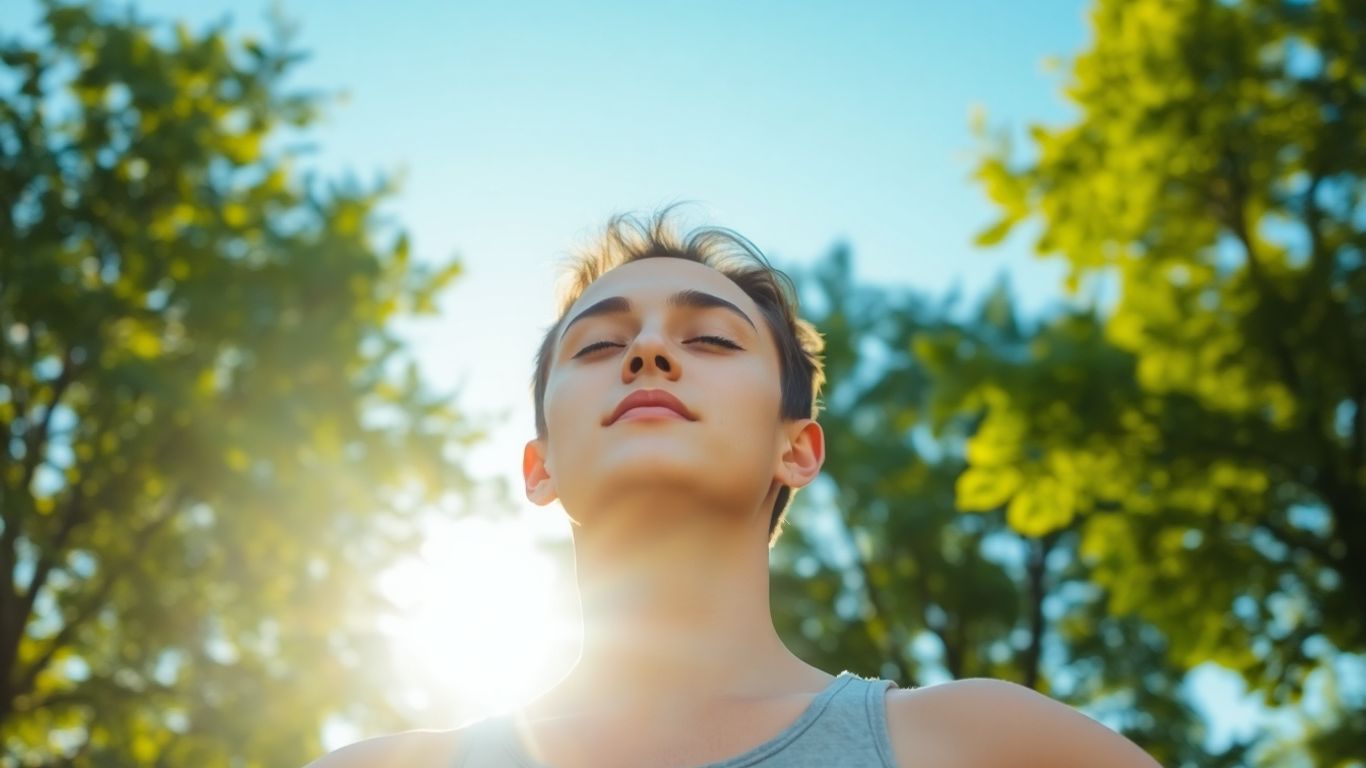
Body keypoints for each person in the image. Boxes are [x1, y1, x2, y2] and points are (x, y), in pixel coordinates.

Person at [308, 210, 1162, 767]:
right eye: (599, 347)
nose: (648, 352)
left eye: (711, 339)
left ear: (797, 449)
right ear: (541, 468)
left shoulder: (988, 745)